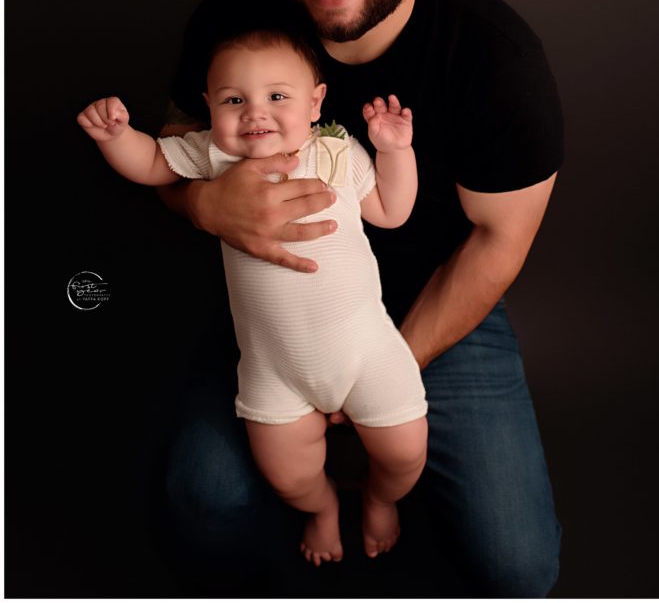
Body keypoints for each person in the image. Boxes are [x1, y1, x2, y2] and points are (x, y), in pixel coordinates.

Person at [157, 0, 564, 597]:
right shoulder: (236, 14)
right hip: (272, 309)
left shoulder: (494, 57)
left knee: (518, 567)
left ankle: (377, 493)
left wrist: (379, 366)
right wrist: (204, 207)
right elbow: (176, 144)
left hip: (430, 304)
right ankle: (308, 527)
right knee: (200, 504)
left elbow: (498, 243)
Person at [76, 28, 428, 565]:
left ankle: (381, 498)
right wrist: (115, 136)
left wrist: (394, 152)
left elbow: (391, 211)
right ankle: (322, 507)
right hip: (273, 367)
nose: (255, 113)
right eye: (233, 101)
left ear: (316, 103)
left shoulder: (334, 151)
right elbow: (149, 164)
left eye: (277, 96)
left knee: (405, 455)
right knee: (288, 476)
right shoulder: (214, 155)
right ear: (209, 106)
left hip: (367, 353)